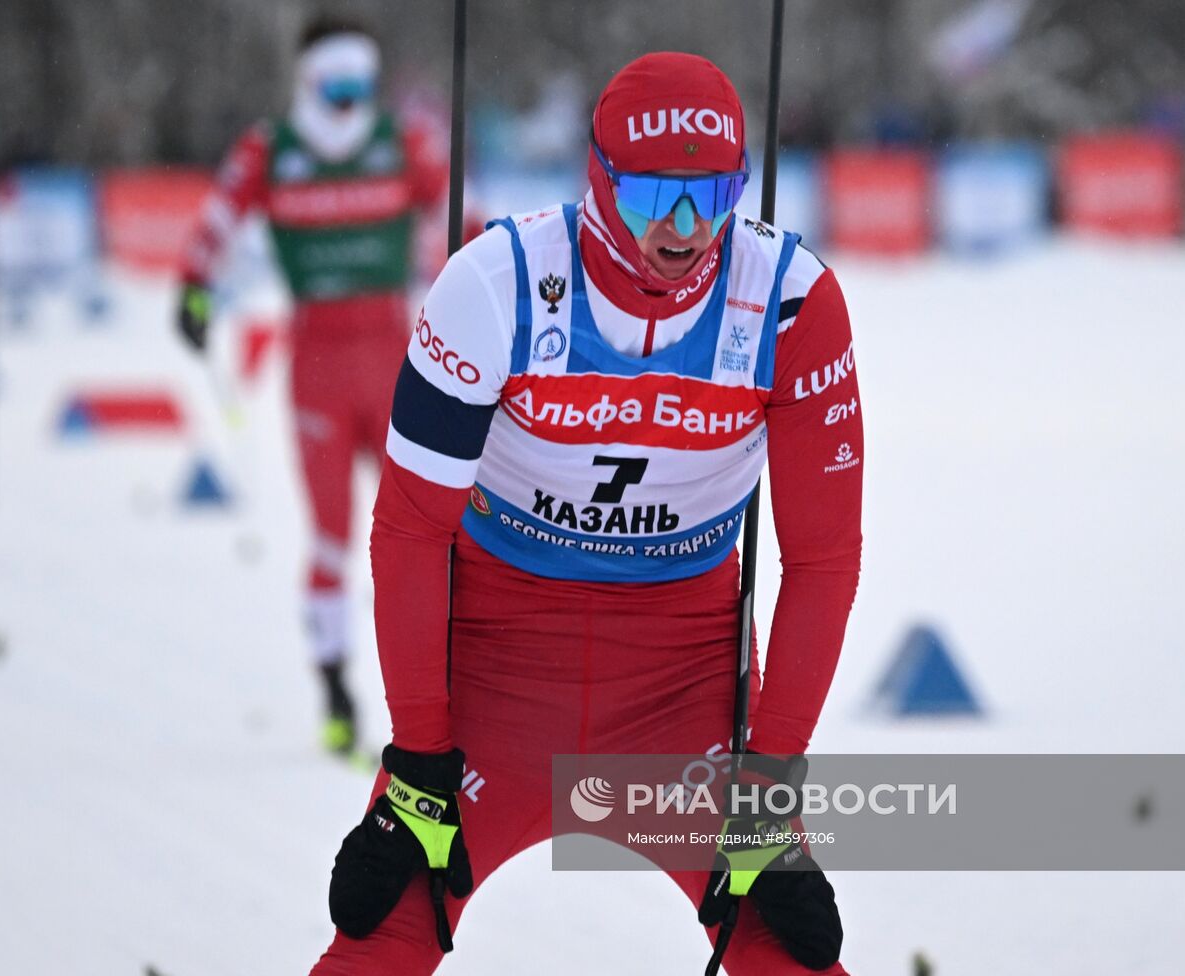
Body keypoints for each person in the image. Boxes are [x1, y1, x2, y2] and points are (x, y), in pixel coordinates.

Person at [316, 53, 863, 974]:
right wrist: (417, 758)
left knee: (784, 949)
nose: (685, 230)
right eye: (653, 197)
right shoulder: (495, 285)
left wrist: (769, 782)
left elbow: (823, 559)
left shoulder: (790, 302)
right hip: (492, 670)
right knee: (382, 937)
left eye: (713, 196)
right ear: (598, 183)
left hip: (684, 686)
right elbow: (409, 531)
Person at [177, 17, 453, 755]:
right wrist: (194, 288)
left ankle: (444, 698)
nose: (348, 104)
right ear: (307, 82)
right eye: (335, 88)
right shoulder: (272, 149)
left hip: (399, 360)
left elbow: (460, 219)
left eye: (360, 86)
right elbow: (217, 219)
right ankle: (335, 691)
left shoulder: (406, 142)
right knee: (331, 537)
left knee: (428, 531)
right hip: (319, 368)